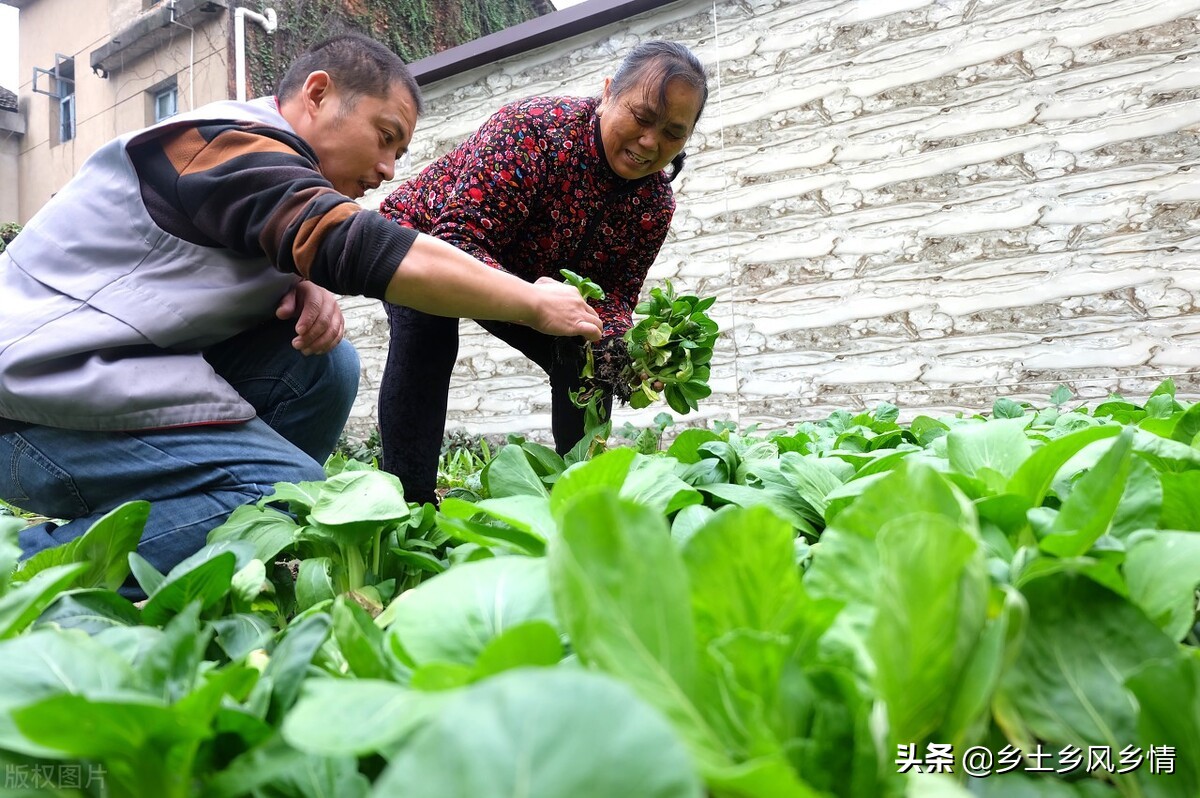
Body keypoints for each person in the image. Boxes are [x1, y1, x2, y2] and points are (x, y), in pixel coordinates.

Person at [0, 34, 601, 579]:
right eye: (385, 135)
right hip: (28, 414)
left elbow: (259, 238)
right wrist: (530, 301)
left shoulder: (264, 165)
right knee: (285, 498)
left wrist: (293, 275)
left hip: (86, 384)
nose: (390, 169)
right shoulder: (219, 144)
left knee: (324, 364)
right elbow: (360, 245)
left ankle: (209, 526)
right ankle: (27, 575)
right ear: (318, 94)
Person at [377, 40, 709, 504]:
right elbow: (458, 240)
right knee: (428, 333)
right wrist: (531, 301)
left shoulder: (653, 204)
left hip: (531, 277)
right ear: (608, 92)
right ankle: (407, 504)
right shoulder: (534, 131)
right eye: (641, 116)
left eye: (673, 132)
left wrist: (626, 355)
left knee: (589, 355)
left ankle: (583, 498)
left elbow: (614, 296)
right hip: (431, 238)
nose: (651, 142)